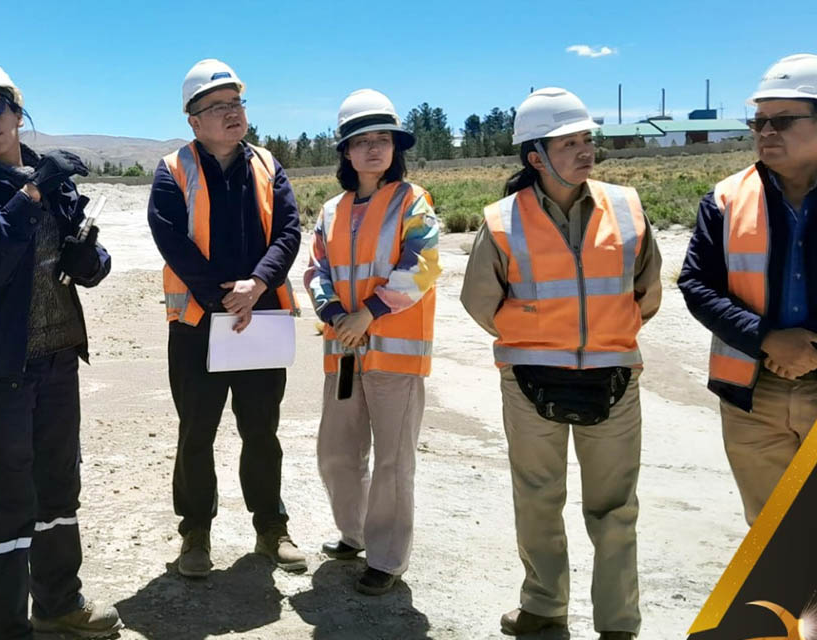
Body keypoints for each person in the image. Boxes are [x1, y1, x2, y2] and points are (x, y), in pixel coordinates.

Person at [0, 58, 121, 639]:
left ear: (16, 109)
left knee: (59, 488)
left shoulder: (46, 178)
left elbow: (82, 254)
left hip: (58, 359)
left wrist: (91, 261)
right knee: (7, 499)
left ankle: (60, 602)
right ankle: (7, 626)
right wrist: (34, 192)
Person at [460, 87, 661, 640]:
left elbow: (647, 290)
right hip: (530, 383)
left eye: (586, 139)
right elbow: (480, 302)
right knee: (539, 500)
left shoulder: (626, 207)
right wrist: (536, 339)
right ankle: (545, 609)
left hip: (614, 378)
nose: (584, 150)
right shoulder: (502, 219)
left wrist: (603, 338)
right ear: (535, 157)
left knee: (615, 508)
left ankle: (618, 624)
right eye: (568, 142)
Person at [148, 58, 305, 578]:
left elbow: (287, 231)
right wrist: (224, 297)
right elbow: (171, 240)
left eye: (236, 103)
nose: (232, 113)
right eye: (217, 107)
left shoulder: (268, 164)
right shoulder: (173, 170)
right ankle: (195, 533)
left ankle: (270, 528)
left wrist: (257, 284)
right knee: (197, 431)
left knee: (262, 429)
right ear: (193, 120)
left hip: (260, 319)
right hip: (198, 323)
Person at [303, 89, 440, 595]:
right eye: (362, 141)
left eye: (383, 139)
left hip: (395, 353)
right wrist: (337, 314)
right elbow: (316, 269)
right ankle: (353, 533)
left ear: (395, 147)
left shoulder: (412, 199)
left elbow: (422, 264)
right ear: (346, 152)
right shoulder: (332, 209)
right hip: (343, 349)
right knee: (337, 453)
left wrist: (370, 312)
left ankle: (386, 557)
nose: (374, 149)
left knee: (392, 460)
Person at [679, 53, 817, 526]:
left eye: (782, 120)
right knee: (774, 540)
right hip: (753, 397)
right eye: (758, 121)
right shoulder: (725, 199)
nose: (765, 132)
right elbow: (697, 285)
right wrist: (768, 338)